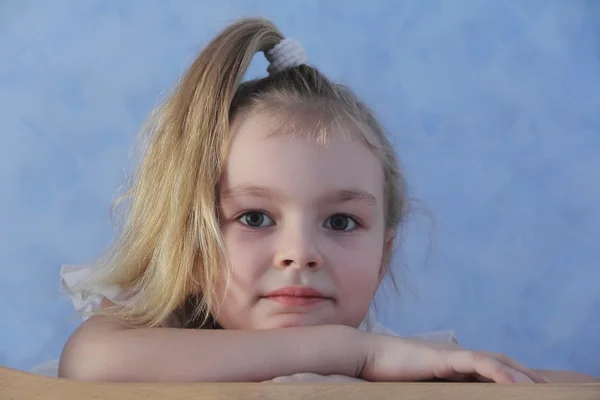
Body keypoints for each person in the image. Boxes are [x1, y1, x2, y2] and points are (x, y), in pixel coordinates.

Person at [33, 17, 595, 383]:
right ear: (194, 243)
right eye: (255, 217)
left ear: (385, 251)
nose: (299, 253)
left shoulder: (407, 366)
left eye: (342, 221)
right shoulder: (160, 334)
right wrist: (355, 354)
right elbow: (89, 364)